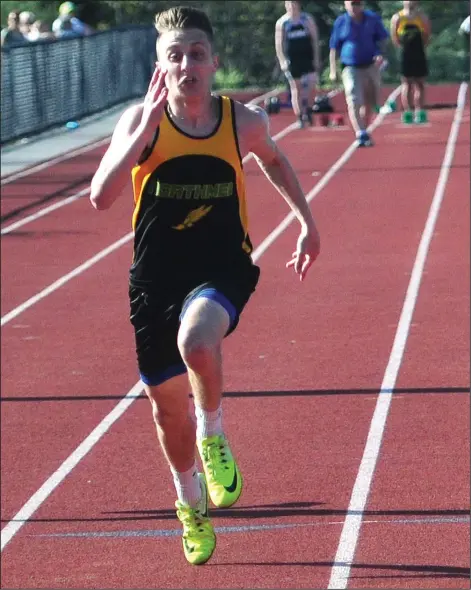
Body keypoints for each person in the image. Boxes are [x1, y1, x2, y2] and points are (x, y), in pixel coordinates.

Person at [90, 5, 320, 566]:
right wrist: (141, 133)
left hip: (222, 267)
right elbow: (101, 196)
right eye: (175, 56)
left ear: (214, 62)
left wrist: (306, 222)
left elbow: (274, 161)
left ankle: (213, 433)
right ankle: (190, 501)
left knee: (197, 341)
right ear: (160, 67)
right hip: (154, 280)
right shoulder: (139, 123)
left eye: (196, 54)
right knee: (168, 412)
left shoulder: (240, 121)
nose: (187, 64)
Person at [329, 0, 389, 147]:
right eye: (352, 3)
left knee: (370, 101)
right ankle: (360, 132)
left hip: (370, 65)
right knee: (354, 98)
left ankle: (364, 129)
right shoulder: (341, 22)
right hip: (351, 66)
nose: (355, 7)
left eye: (358, 4)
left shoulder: (372, 19)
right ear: (346, 4)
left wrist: (381, 54)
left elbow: (382, 39)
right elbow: (334, 47)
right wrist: (333, 70)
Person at [275, 1, 321, 128]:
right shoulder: (282, 22)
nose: (291, 6)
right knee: (296, 89)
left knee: (312, 85)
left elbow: (314, 40)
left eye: (293, 3)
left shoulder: (306, 19)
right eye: (288, 4)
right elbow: (279, 44)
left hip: (307, 58)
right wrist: (282, 60)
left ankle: (310, 111)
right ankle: (300, 116)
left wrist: (316, 58)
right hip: (292, 60)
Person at [391, 1, 431, 124]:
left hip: (418, 54)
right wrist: (404, 48)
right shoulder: (398, 17)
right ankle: (407, 112)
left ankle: (420, 111)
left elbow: (427, 35)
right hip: (405, 54)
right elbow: (394, 37)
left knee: (420, 84)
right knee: (406, 84)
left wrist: (419, 48)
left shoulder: (422, 17)